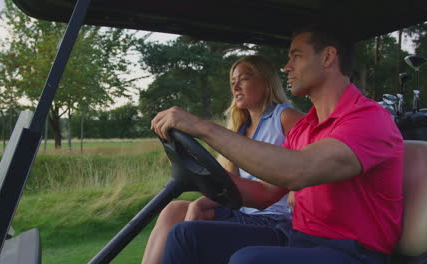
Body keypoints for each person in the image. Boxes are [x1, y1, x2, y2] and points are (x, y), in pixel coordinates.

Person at [151, 24, 404, 264]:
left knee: (248, 261)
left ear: (328, 57)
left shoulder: (368, 120)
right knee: (185, 236)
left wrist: (203, 128)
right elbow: (264, 194)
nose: (286, 67)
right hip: (298, 237)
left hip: (352, 252)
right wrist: (202, 174)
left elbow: (298, 171)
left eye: (296, 57)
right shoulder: (306, 127)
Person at [141, 55, 303, 264]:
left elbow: (310, 162)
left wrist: (299, 189)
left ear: (266, 81)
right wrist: (199, 202)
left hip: (275, 219)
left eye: (244, 79)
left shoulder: (284, 117)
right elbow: (230, 185)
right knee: (174, 209)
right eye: (233, 82)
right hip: (246, 213)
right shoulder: (240, 129)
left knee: (186, 233)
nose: (236, 87)